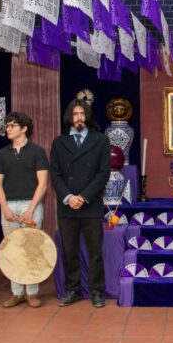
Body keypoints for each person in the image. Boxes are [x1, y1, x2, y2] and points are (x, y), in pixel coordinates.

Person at [50, 99, 111, 308]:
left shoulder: (101, 141)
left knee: (95, 252)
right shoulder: (59, 143)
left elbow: (103, 173)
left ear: (88, 117)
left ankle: (96, 291)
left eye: (82, 114)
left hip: (90, 205)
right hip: (67, 206)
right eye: (75, 114)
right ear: (70, 117)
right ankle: (73, 290)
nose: (78, 118)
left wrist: (83, 197)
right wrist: (69, 197)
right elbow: (55, 174)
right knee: (69, 251)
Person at [0, 112, 49, 308]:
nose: (7, 129)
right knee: (12, 250)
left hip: (30, 206)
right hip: (8, 207)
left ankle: (32, 293)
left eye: (12, 125)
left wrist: (31, 210)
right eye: (7, 126)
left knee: (31, 249)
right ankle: (16, 293)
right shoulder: (1, 154)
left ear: (24, 128)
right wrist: (5, 208)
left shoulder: (37, 152)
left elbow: (42, 184)